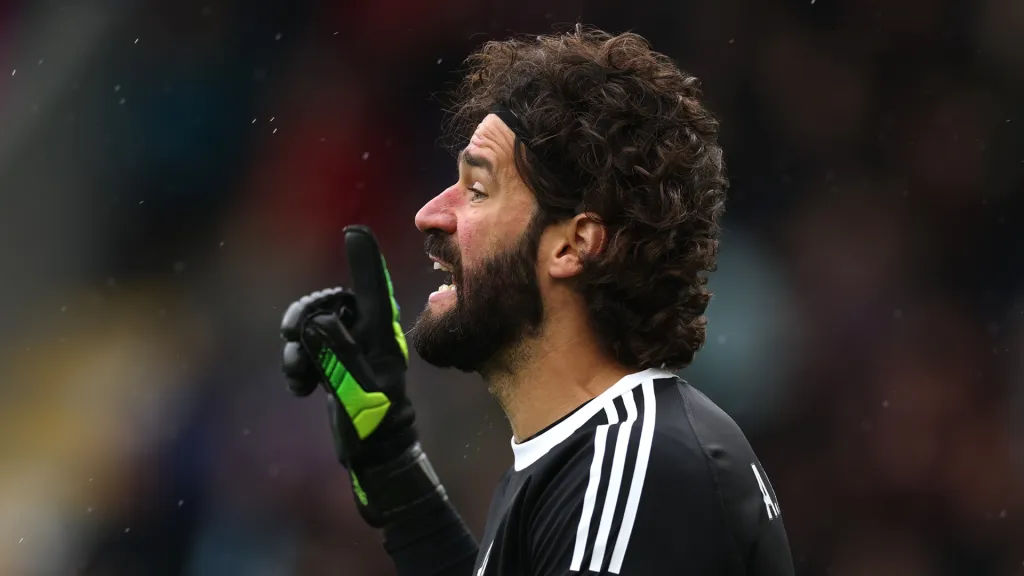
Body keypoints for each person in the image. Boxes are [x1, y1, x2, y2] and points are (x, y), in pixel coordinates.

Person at [280, 26, 795, 576]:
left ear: (573, 245)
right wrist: (391, 469)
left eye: (477, 190)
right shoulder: (595, 457)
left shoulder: (637, 465)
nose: (429, 214)